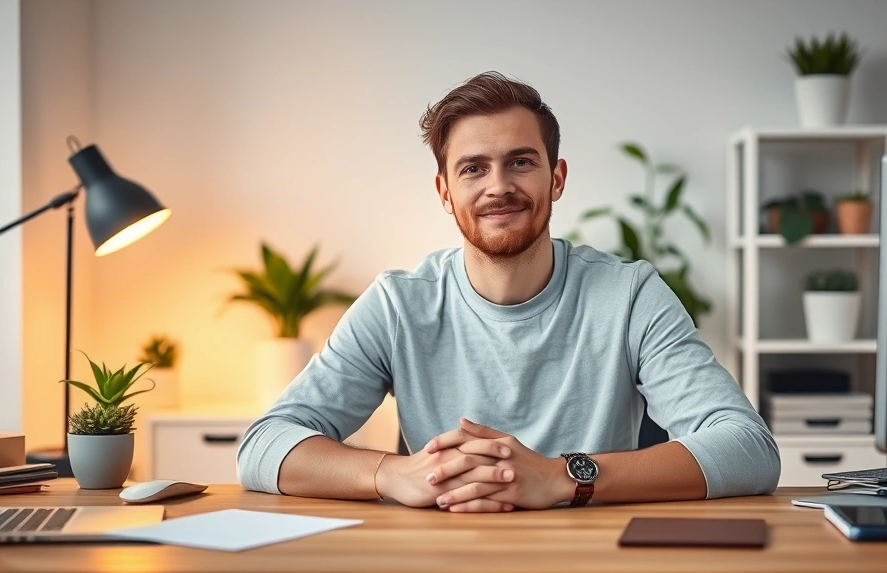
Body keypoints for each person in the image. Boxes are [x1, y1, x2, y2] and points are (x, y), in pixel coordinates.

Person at [237, 71, 780, 512]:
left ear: (557, 178)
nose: (499, 186)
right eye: (473, 169)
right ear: (445, 192)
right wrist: (392, 474)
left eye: (521, 161)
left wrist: (562, 476)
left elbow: (748, 449)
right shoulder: (399, 304)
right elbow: (264, 446)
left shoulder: (631, 294)